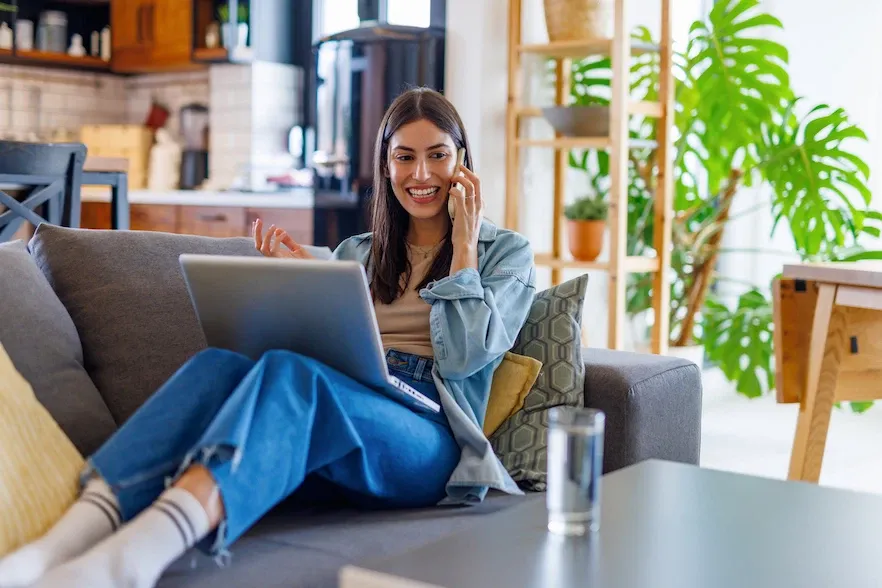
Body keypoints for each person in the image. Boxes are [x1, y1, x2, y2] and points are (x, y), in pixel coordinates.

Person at [0, 87, 536, 588]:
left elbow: (464, 357)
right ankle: (65, 540)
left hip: (431, 435)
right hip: (354, 401)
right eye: (404, 157)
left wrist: (464, 247)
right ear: (385, 165)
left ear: (462, 162)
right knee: (219, 366)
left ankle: (134, 558)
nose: (421, 173)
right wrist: (297, 288)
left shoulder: (505, 254)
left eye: (438, 155)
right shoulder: (359, 252)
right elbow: (329, 350)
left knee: (296, 378)